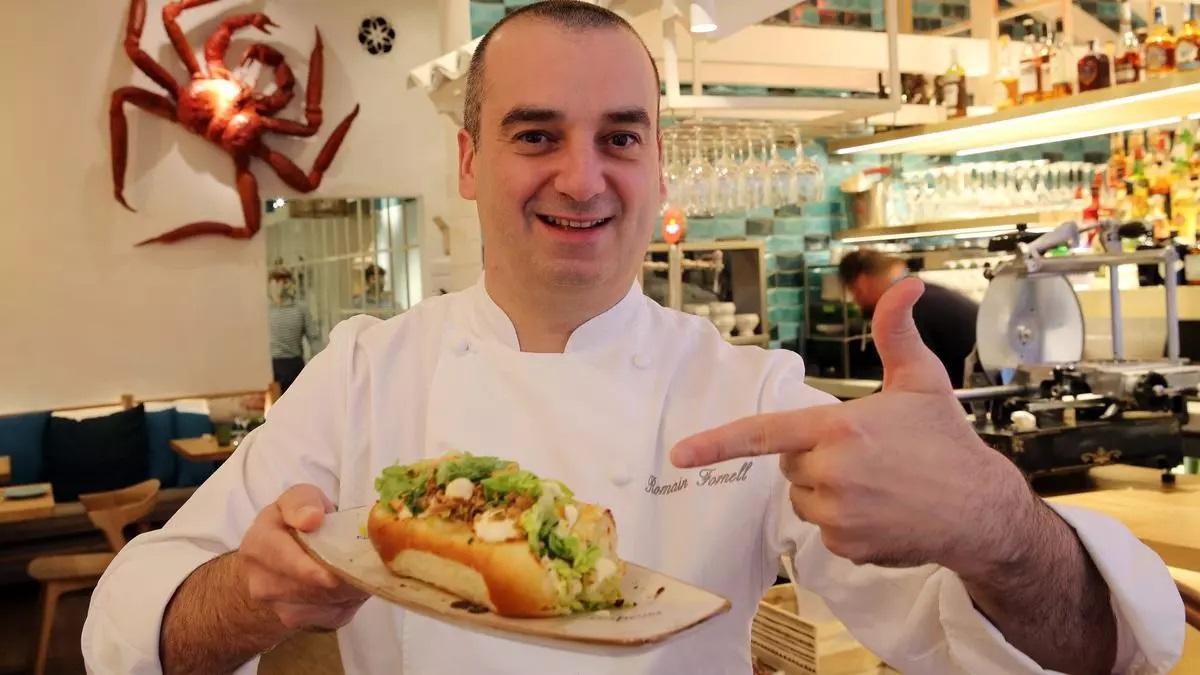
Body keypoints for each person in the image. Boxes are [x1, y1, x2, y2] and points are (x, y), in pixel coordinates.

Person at [83, 3, 1182, 674]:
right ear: (469, 166)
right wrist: (248, 598)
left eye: (620, 136)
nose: (582, 174)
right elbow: (132, 629)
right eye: (534, 135)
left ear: (658, 170)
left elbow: (1090, 655)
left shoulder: (752, 390)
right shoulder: (362, 373)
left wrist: (992, 519)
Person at [839, 249, 980, 387]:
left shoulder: (908, 306)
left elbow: (917, 383)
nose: (857, 301)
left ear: (862, 283)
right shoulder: (922, 295)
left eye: (854, 292)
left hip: (973, 398)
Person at [267, 268, 319, 393]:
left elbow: (313, 337)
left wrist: (318, 365)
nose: (281, 285)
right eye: (277, 281)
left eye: (285, 281)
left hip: (293, 363)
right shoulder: (264, 309)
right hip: (270, 365)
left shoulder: (301, 308)